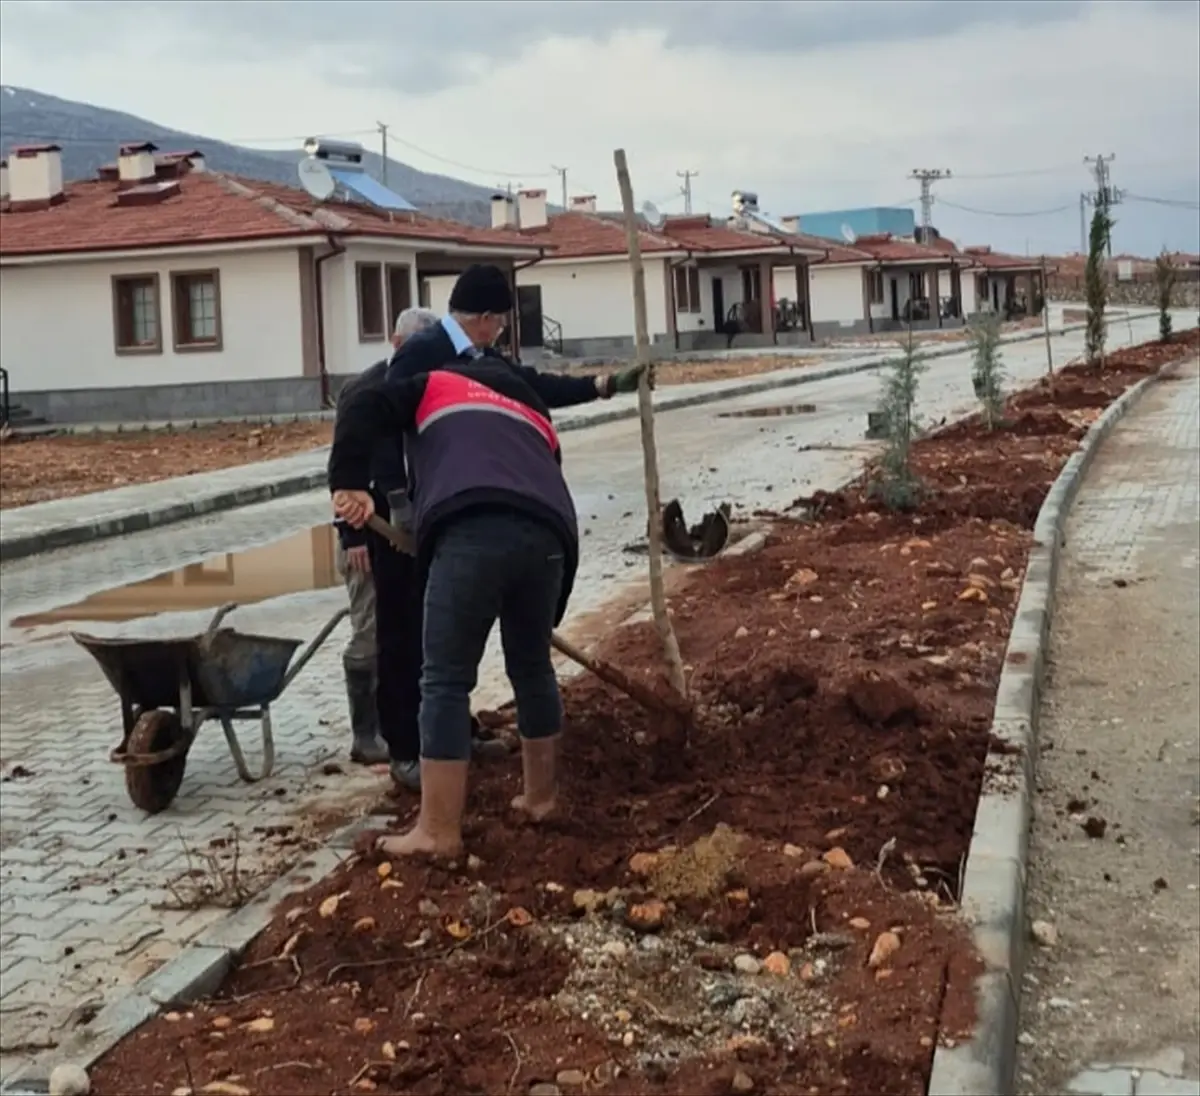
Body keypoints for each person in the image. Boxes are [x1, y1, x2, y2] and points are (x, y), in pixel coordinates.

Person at [378, 263, 648, 793]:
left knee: (466, 650)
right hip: (428, 511)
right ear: (483, 318)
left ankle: (459, 739)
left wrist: (600, 386)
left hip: (469, 511)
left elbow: (533, 386)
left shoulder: (485, 358)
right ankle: (407, 752)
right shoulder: (423, 352)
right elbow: (384, 423)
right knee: (419, 642)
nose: (501, 332)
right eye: (500, 323)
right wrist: (395, 501)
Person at [329, 351, 583, 858]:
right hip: (551, 533)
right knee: (532, 667)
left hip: (470, 529)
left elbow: (360, 405)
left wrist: (349, 480)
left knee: (443, 678)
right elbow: (539, 482)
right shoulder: (528, 404)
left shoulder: (431, 383)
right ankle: (541, 800)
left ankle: (438, 833)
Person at [332, 306, 439, 764]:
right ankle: (365, 734)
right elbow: (343, 469)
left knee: (415, 633)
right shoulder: (365, 391)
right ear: (397, 344)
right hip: (366, 533)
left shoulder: (423, 386)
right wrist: (351, 537)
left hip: (408, 537)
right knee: (371, 630)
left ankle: (414, 724)